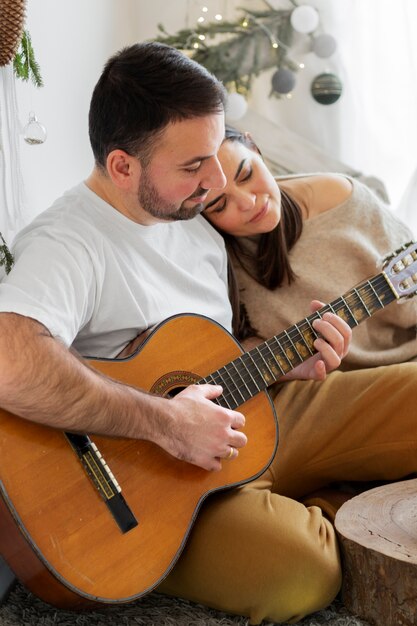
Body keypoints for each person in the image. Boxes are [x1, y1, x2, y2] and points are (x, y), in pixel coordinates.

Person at [0, 43, 412, 626]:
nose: (214, 182)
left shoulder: (189, 218)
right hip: (152, 486)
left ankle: (320, 492)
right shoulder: (68, 242)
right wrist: (165, 422)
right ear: (122, 167)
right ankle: (320, 501)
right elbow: (9, 361)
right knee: (303, 574)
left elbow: (202, 353)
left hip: (257, 409)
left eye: (216, 155)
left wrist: (283, 361)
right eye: (193, 166)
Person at [202, 126, 417, 368]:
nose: (248, 201)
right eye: (220, 206)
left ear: (255, 148)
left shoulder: (338, 198)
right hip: (336, 388)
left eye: (247, 175)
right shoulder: (212, 260)